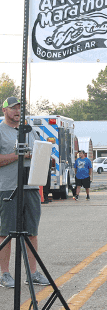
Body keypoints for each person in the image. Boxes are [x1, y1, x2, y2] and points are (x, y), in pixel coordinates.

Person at [0, 97, 49, 288]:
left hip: (31, 187)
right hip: (8, 188)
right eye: (13, 108)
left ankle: (33, 273)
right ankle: (4, 274)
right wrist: (18, 155)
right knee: (6, 232)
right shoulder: (1, 131)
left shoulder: (31, 132)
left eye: (20, 108)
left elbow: (38, 153)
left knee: (31, 232)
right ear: (4, 110)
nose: (17, 111)